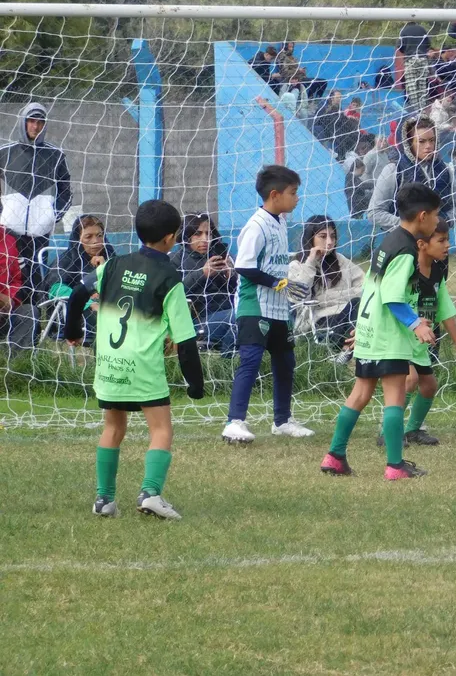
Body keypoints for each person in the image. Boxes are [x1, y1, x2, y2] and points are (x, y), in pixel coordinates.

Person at [63, 199, 205, 520]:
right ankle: (151, 493)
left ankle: (104, 500)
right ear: (171, 238)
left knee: (113, 428)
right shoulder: (170, 278)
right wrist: (195, 383)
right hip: (143, 367)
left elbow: (76, 295)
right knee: (161, 429)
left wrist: (73, 329)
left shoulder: (112, 265)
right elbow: (185, 340)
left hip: (110, 363)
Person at [320, 182, 441, 480]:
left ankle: (335, 456)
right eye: (437, 216)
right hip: (388, 334)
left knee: (360, 393)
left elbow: (373, 289)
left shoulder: (389, 241)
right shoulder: (406, 250)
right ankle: (395, 465)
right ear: (423, 216)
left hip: (369, 329)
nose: (438, 221)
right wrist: (416, 324)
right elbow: (392, 295)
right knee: (395, 396)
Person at [221, 165, 315, 445]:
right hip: (255, 306)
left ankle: (283, 420)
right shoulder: (256, 226)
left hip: (278, 308)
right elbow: (244, 267)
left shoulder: (280, 221)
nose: (297, 198)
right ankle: (234, 422)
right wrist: (278, 283)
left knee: (285, 361)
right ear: (274, 195)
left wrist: (283, 285)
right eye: (293, 193)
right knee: (250, 361)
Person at [398, 218, 456, 446]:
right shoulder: (406, 269)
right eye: (441, 240)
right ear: (422, 244)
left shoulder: (438, 272)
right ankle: (389, 430)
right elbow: (391, 301)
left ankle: (413, 430)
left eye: (447, 239)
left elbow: (444, 310)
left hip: (420, 343)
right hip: (399, 339)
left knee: (429, 386)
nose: (447, 245)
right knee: (409, 380)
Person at [0, 102, 73, 304]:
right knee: (10, 268)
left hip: (40, 227)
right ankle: (12, 309)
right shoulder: (5, 152)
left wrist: (52, 216)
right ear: (23, 123)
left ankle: (36, 309)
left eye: (40, 122)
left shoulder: (55, 155)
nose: (35, 126)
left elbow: (66, 189)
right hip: (9, 228)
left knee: (36, 270)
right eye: (31, 121)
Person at [287, 215, 364, 348]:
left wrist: (325, 298)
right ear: (310, 237)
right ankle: (344, 351)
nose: (329, 242)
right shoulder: (296, 265)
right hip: (318, 321)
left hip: (348, 313)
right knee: (355, 306)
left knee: (359, 305)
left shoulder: (341, 261)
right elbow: (298, 297)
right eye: (323, 236)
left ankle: (345, 352)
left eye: (333, 236)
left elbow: (366, 287)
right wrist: (310, 263)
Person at [368, 116, 454, 232]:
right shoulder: (394, 170)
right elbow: (374, 212)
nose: (428, 146)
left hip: (435, 243)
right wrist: (409, 226)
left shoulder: (445, 170)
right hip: (404, 242)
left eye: (432, 140)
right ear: (409, 144)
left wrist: (444, 220)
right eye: (421, 141)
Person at [44, 214, 115, 344]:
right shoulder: (66, 260)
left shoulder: (110, 258)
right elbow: (55, 288)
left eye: (100, 235)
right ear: (78, 239)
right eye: (89, 236)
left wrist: (104, 268)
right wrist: (88, 303)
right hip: (78, 312)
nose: (96, 241)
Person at [171, 213, 236, 357]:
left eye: (209, 234)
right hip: (197, 322)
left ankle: (224, 364)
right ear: (187, 236)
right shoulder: (175, 260)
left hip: (226, 313)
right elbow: (174, 293)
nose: (205, 239)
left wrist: (231, 275)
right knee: (239, 317)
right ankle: (228, 363)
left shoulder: (221, 255)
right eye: (198, 234)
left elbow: (237, 289)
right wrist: (203, 273)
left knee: (247, 315)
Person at [0, 222, 33, 353]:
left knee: (29, 312)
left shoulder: (11, 238)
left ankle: (14, 366)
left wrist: (10, 299)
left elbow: (19, 279)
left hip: (6, 309)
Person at [399, 21, 431, 109]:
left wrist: (407, 50)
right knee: (422, 86)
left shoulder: (404, 31)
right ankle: (422, 109)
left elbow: (400, 46)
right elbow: (428, 44)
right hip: (422, 59)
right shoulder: (422, 29)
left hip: (410, 59)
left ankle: (415, 109)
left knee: (412, 87)